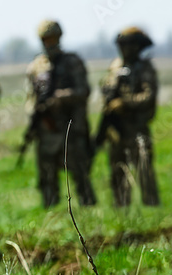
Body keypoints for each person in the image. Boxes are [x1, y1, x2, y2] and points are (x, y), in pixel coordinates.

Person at [24, 19, 96, 209]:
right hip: (47, 129)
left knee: (79, 171)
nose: (50, 42)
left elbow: (84, 90)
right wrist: (35, 114)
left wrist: (61, 97)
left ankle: (88, 207)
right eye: (46, 39)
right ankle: (50, 211)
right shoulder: (36, 67)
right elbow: (30, 98)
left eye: (53, 38)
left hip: (71, 128)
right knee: (46, 175)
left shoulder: (72, 61)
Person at [98, 26, 160, 207]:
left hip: (137, 127)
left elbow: (149, 96)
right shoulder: (114, 66)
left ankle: (151, 208)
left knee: (144, 170)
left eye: (130, 45)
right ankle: (121, 208)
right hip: (116, 128)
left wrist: (125, 102)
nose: (125, 49)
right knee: (117, 171)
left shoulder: (145, 68)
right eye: (123, 45)